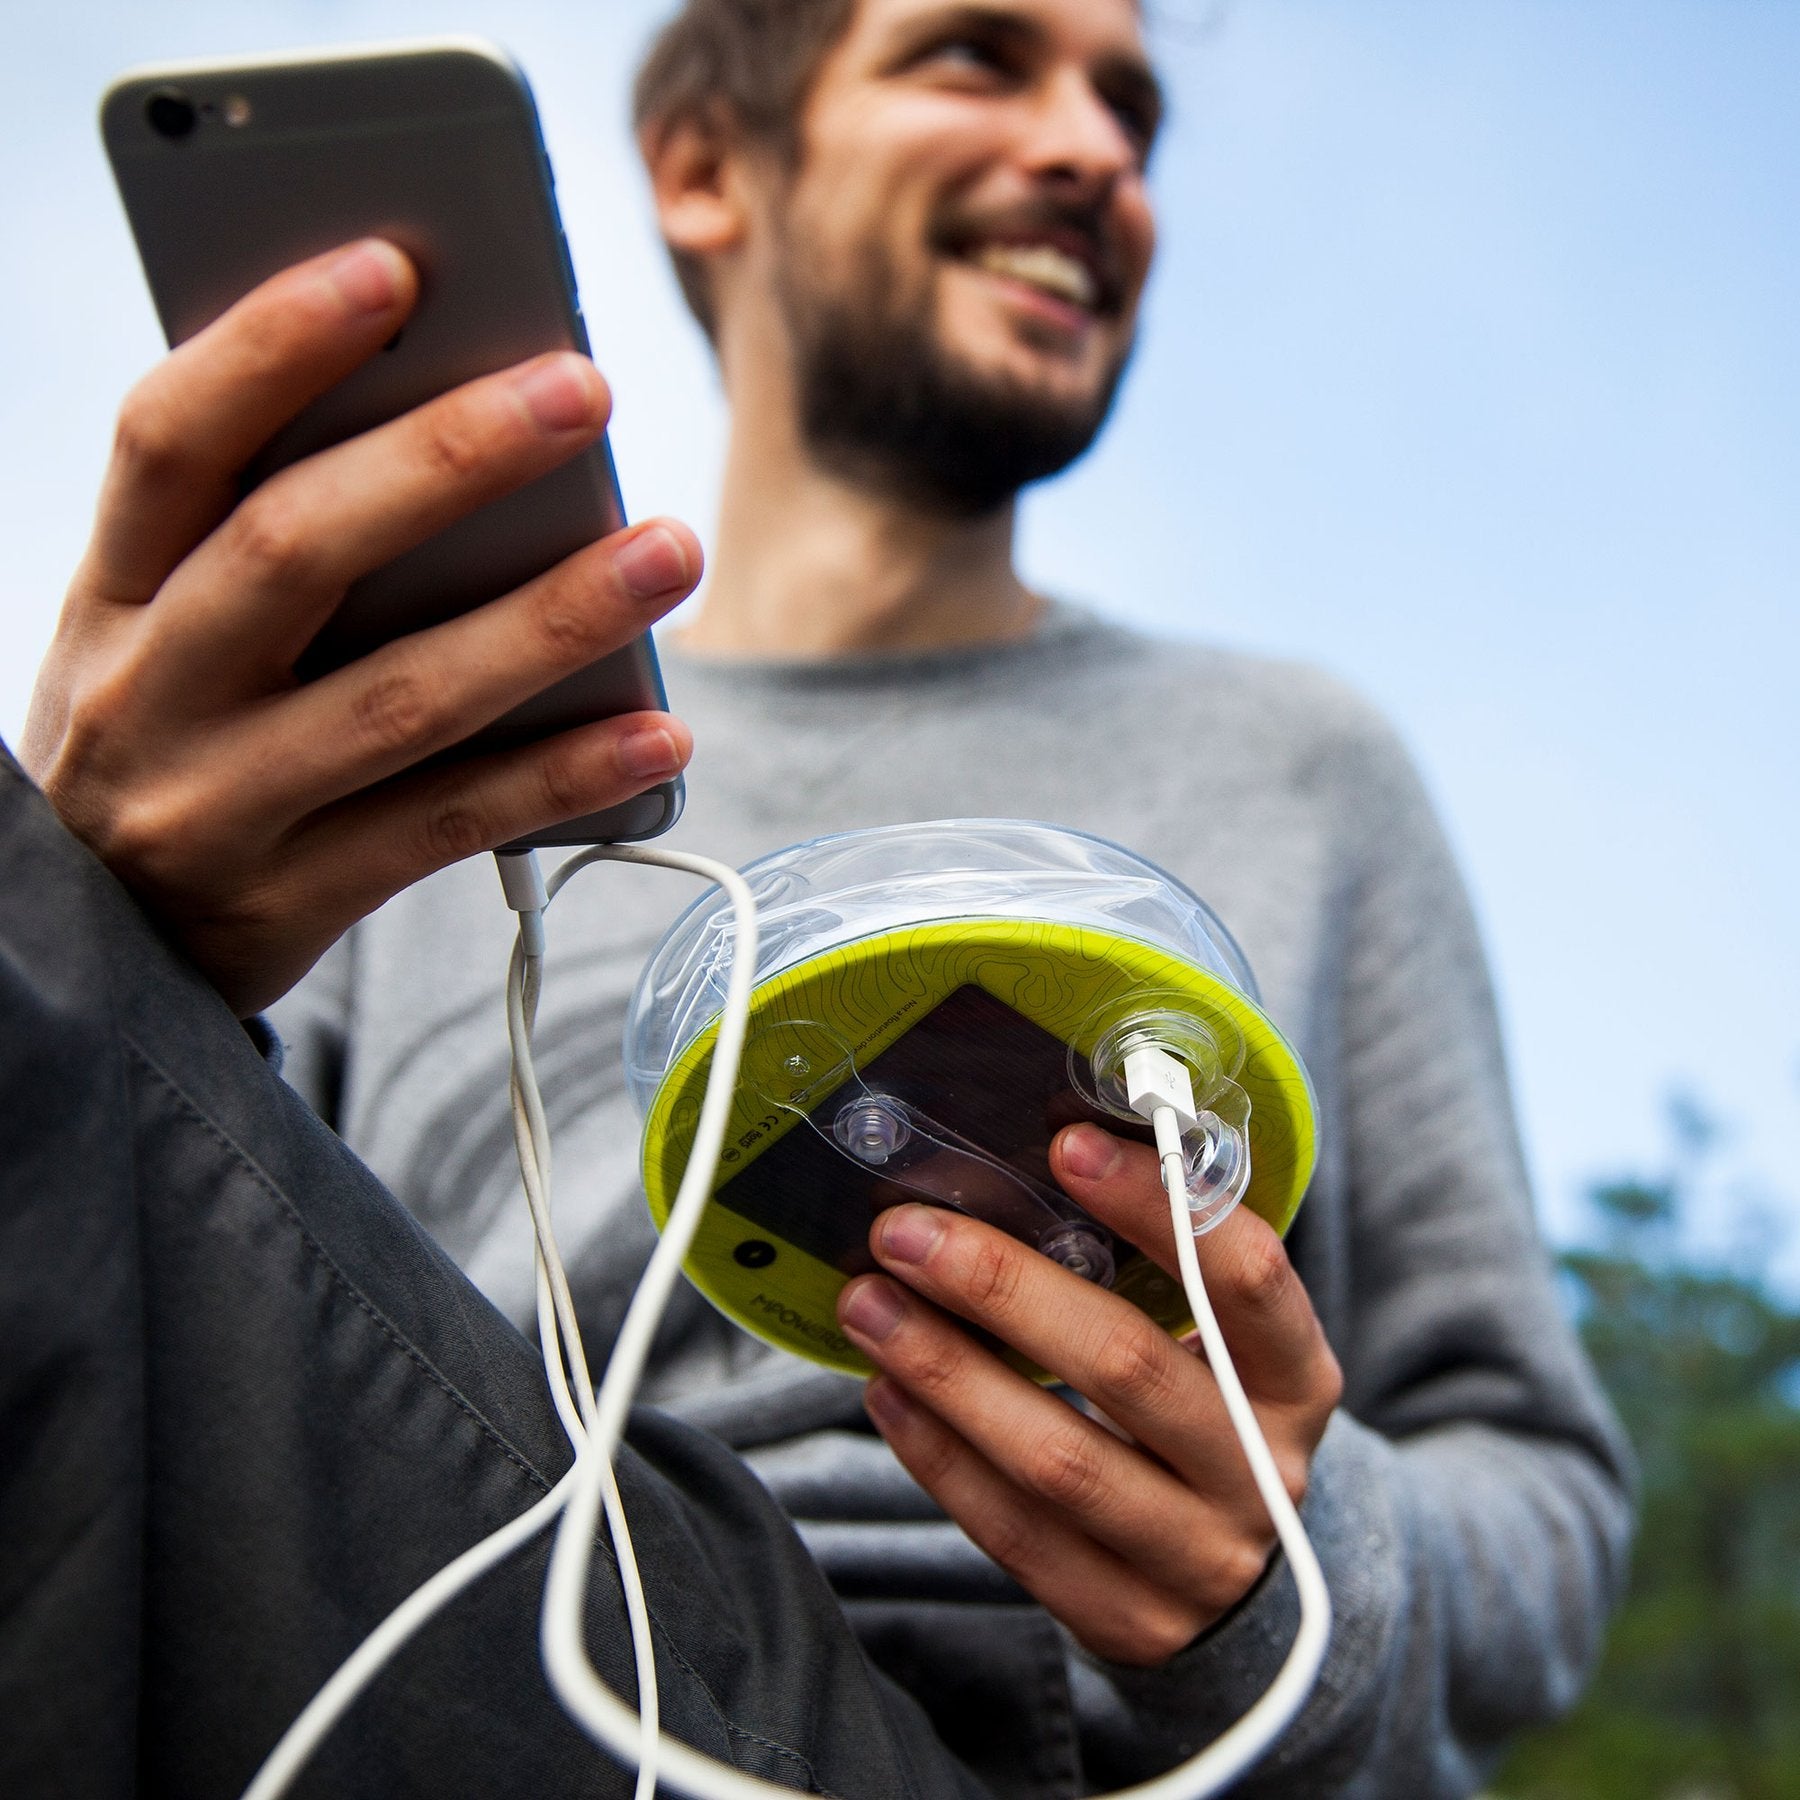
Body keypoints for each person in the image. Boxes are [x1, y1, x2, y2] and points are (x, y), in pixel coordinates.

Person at [16, 3, 1631, 1797]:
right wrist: (106, 943)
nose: (1098, 152)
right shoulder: (414, 782)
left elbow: (1542, 1501)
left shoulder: (1302, 761)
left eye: (1131, 107)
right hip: (477, 1649)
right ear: (709, 170)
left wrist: (1287, 1568)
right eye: (976, 57)